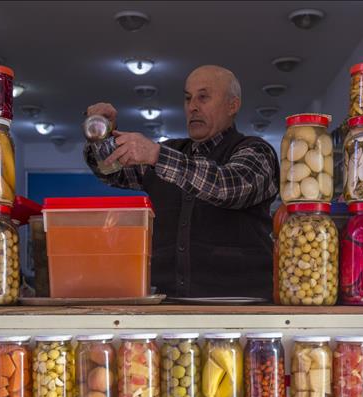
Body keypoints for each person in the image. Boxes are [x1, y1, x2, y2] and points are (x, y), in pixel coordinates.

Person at [85, 65, 279, 298]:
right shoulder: (171, 151)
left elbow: (229, 187)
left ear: (232, 105)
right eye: (188, 98)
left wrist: (157, 155)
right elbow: (111, 170)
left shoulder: (257, 151)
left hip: (242, 307)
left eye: (203, 97)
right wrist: (101, 134)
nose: (192, 106)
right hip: (169, 305)